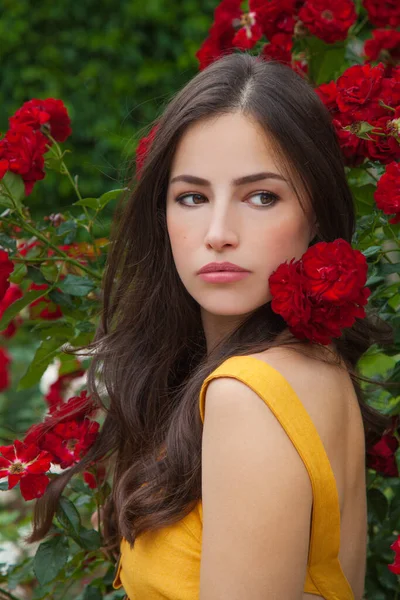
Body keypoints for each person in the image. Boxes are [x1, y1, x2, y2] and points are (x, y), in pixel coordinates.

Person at [28, 52, 393, 600]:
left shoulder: (248, 394)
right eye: (193, 197)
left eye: (261, 196)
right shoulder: (316, 363)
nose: (219, 232)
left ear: (314, 215)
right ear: (164, 215)